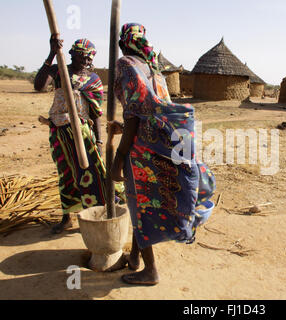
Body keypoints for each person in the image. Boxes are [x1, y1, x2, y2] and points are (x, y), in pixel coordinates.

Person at [110, 23, 216, 285]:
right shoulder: (153, 69)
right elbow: (154, 115)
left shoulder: (126, 65)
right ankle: (135, 259)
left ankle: (151, 271)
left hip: (141, 152)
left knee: (140, 204)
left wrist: (117, 158)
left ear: (123, 43)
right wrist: (123, 127)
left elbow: (136, 116)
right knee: (142, 205)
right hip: (161, 148)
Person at [34, 36, 107, 234]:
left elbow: (96, 113)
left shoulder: (94, 80)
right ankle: (67, 217)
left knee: (91, 174)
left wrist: (99, 140)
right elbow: (39, 86)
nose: (83, 61)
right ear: (71, 55)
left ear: (92, 59)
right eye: (79, 56)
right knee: (66, 174)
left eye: (87, 58)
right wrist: (51, 53)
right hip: (59, 132)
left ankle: (95, 215)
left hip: (83, 133)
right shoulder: (59, 72)